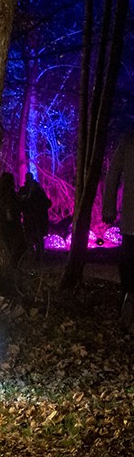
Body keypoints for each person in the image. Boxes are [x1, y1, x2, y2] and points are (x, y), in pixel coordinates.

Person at [102, 130, 134, 328]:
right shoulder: (128, 140)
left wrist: (109, 209)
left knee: (129, 261)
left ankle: (127, 297)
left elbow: (113, 175)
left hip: (131, 221)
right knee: (128, 260)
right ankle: (127, 299)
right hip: (130, 220)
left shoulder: (128, 140)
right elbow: (113, 175)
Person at [19, 171, 52, 260]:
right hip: (31, 217)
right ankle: (34, 254)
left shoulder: (38, 190)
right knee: (32, 236)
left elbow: (47, 203)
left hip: (36, 217)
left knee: (36, 236)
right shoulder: (26, 190)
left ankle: (38, 255)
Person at [0, 171, 26, 265]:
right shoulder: (9, 193)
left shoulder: (1, 192)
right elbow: (10, 205)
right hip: (12, 221)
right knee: (19, 244)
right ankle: (13, 265)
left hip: (5, 221)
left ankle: (12, 264)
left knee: (11, 244)